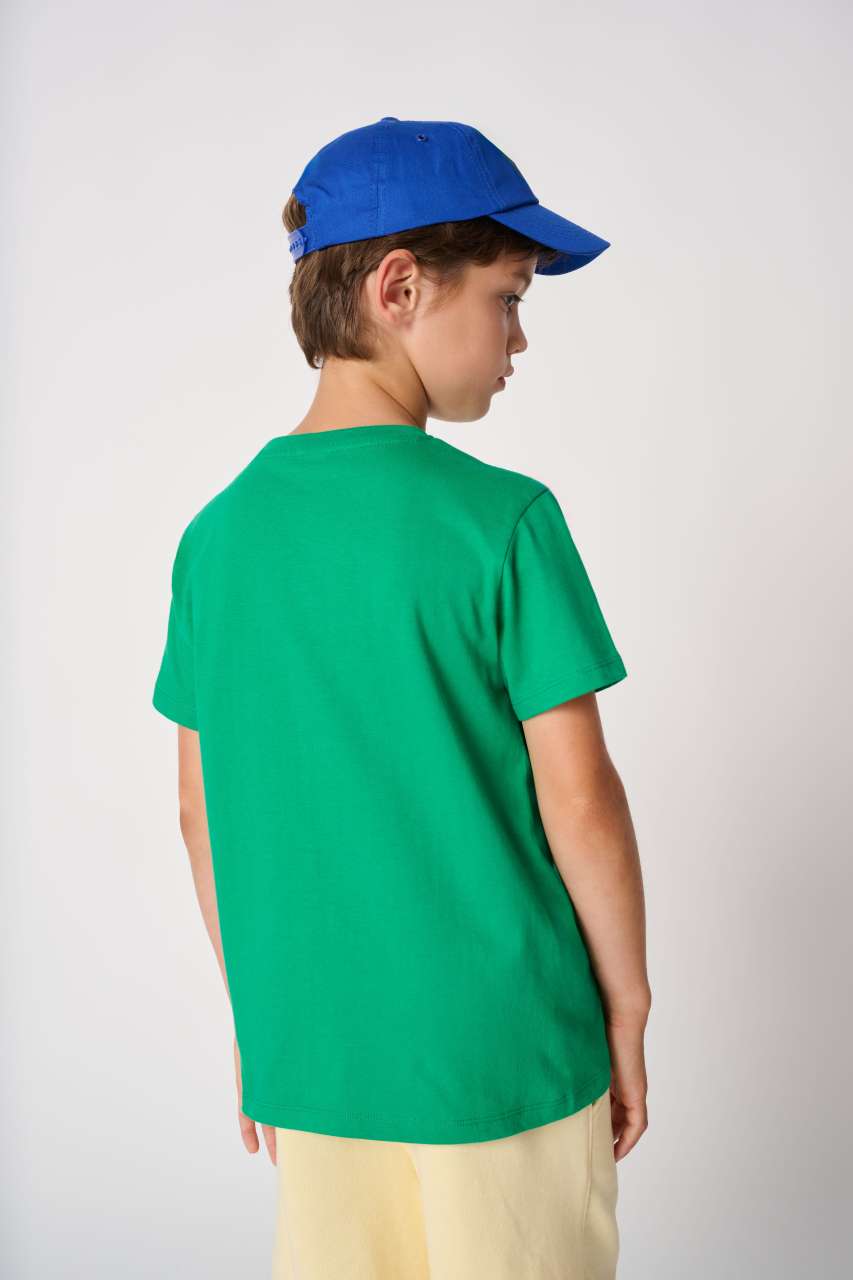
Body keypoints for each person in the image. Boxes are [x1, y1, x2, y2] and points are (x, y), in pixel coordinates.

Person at [152, 115, 651, 1279]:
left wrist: (264, 1023)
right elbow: (580, 799)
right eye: (509, 297)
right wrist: (625, 1006)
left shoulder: (215, 541)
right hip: (503, 1056)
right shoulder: (503, 522)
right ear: (398, 287)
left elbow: (199, 811)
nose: (519, 337)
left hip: (318, 1059)